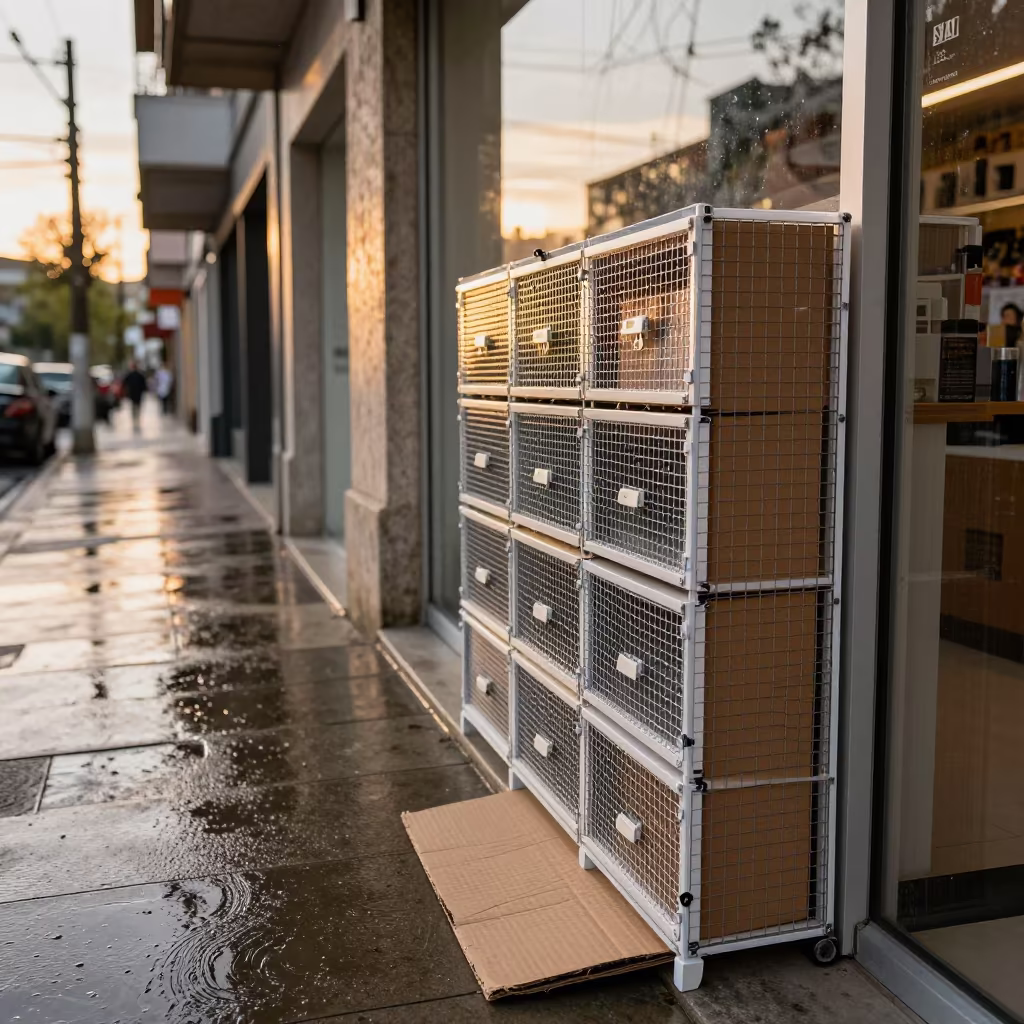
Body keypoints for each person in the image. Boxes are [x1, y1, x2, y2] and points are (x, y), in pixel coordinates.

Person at [122, 361, 148, 431]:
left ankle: (135, 422)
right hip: (136, 395)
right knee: (137, 408)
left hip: (133, 395)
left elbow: (124, 383)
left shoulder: (133, 375)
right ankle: (136, 422)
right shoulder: (139, 375)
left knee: (134, 408)